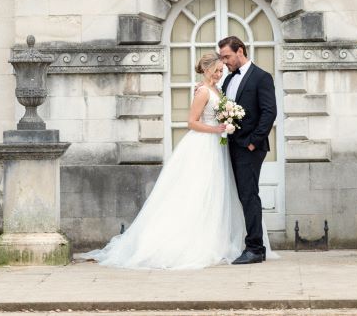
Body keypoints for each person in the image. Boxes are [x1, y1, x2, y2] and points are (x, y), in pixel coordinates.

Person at [75, 52, 246, 269]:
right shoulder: (202, 91)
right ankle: (186, 242)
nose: (220, 74)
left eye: (222, 70)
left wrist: (228, 120)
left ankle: (213, 239)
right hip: (202, 144)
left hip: (215, 146)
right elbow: (191, 122)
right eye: (217, 70)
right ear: (206, 70)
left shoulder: (217, 90)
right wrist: (216, 128)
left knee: (213, 191)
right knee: (197, 190)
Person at [218, 35, 277, 265]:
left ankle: (255, 248)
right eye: (222, 58)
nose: (224, 62)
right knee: (238, 196)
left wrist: (253, 141)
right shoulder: (227, 80)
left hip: (250, 148)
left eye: (227, 57)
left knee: (249, 195)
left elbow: (269, 112)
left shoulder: (262, 77)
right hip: (230, 146)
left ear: (240, 51)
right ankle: (239, 244)